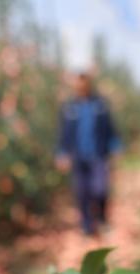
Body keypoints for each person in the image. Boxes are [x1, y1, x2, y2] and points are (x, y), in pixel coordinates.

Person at [56, 73, 122, 236]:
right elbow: (63, 134)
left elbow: (110, 129)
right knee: (82, 192)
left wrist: (116, 146)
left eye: (83, 82)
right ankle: (86, 226)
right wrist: (62, 153)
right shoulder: (69, 107)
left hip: (98, 155)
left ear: (88, 83)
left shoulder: (99, 105)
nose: (80, 85)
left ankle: (102, 220)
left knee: (100, 189)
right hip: (78, 157)